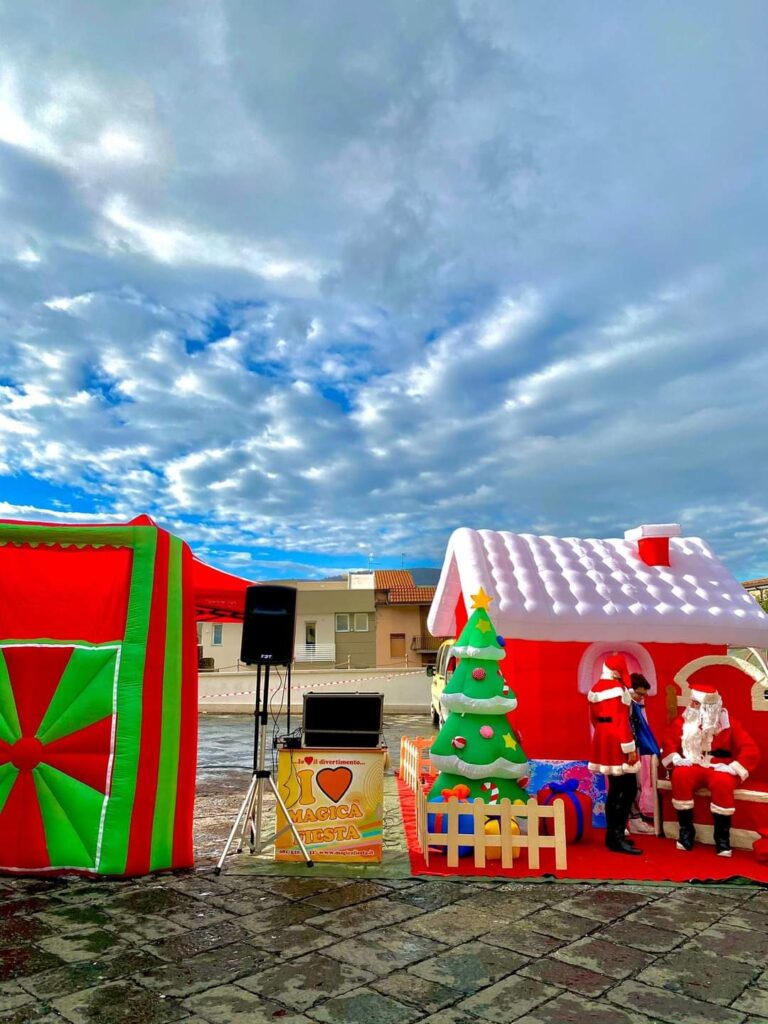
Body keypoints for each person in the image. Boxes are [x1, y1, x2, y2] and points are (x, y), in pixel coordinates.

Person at [661, 682, 759, 856]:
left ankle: (722, 838)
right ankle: (686, 831)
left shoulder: (728, 723)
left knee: (722, 782)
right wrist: (675, 758)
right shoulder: (685, 720)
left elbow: (750, 748)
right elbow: (669, 740)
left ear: (709, 707)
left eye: (696, 703)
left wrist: (734, 768)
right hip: (693, 762)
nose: (691, 706)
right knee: (680, 776)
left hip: (719, 765)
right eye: (692, 702)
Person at [588, 653, 641, 855]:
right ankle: (616, 836)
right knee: (627, 789)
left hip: (604, 737)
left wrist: (603, 735)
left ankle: (613, 835)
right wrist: (629, 749)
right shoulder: (618, 690)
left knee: (615, 788)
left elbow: (593, 719)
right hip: (619, 740)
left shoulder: (595, 688)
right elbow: (621, 722)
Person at [627, 673, 661, 834]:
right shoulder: (623, 706)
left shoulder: (634, 707)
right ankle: (626, 821)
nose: (641, 698)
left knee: (636, 785)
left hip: (633, 748)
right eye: (639, 694)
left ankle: (634, 820)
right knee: (626, 787)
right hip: (624, 750)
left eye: (643, 695)